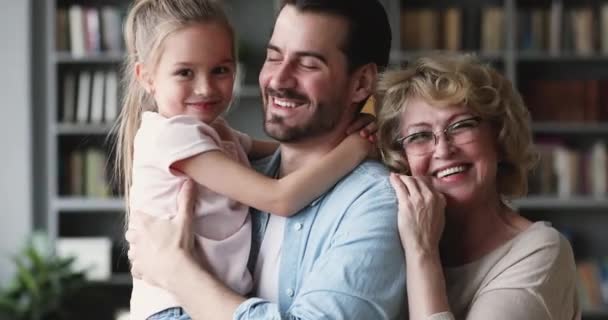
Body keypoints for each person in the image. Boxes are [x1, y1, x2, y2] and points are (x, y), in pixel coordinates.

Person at [125, 0, 406, 319]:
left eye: (308, 64)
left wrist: (176, 271)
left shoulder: (375, 201)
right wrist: (354, 148)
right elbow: (281, 197)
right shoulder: (237, 169)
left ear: (362, 83)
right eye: (273, 57)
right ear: (146, 77)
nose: (278, 79)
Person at [376, 53, 580, 320]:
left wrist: (422, 253)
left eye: (461, 125)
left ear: (498, 136)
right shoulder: (386, 238)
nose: (443, 149)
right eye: (419, 136)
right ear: (402, 158)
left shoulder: (541, 251)